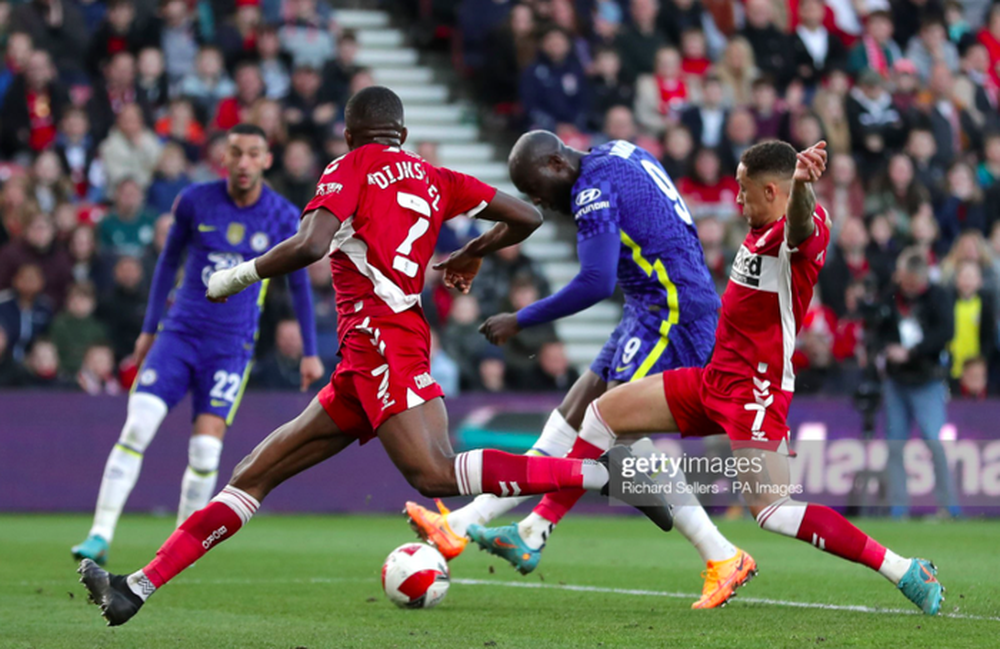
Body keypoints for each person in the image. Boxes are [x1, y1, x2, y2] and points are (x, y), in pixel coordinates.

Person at [77, 87, 672, 626]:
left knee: (434, 471)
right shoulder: (436, 178)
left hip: (384, 343)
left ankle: (603, 474)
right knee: (252, 473)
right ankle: (137, 586)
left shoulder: (351, 167)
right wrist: (470, 251)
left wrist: (236, 276)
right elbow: (528, 214)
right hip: (366, 356)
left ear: (347, 133)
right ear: (403, 135)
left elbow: (311, 243)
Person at [508, 139, 946, 616]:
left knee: (773, 512)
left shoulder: (800, 231)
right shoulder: (760, 226)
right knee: (602, 416)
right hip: (714, 376)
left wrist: (801, 189)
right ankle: (535, 529)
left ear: (773, 191)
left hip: (755, 393)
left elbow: (801, 223)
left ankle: (904, 569)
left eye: (744, 190)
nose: (737, 199)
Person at [407, 130, 755, 610]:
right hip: (650, 303)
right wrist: (478, 249)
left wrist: (520, 318)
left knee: (617, 430)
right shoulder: (612, 152)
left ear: (554, 164)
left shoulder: (591, 190)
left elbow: (595, 281)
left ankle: (718, 553)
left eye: (537, 191)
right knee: (573, 415)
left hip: (672, 311)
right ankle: (470, 526)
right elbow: (541, 223)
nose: (541, 203)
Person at [70, 124, 323, 567]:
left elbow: (299, 284)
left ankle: (179, 548)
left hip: (230, 347)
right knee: (137, 427)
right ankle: (99, 534)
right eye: (235, 153)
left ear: (266, 160)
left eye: (253, 154)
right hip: (179, 335)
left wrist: (310, 350)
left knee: (205, 451)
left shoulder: (283, 215)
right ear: (223, 158)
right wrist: (150, 330)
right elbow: (168, 263)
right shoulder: (194, 201)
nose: (243, 162)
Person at [875, 248, 960, 520]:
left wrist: (911, 352)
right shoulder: (890, 294)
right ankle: (898, 509)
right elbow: (877, 328)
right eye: (906, 281)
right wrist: (886, 349)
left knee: (935, 442)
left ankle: (949, 507)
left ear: (923, 278)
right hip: (896, 381)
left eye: (914, 282)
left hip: (927, 380)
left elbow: (946, 332)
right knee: (895, 444)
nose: (909, 287)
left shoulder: (939, 296)